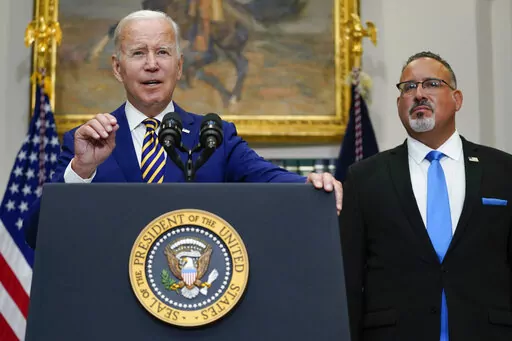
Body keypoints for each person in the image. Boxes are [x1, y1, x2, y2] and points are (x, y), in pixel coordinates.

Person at [24, 10, 342, 248]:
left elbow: (270, 179)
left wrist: (310, 183)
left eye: (162, 52)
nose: (152, 64)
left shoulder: (214, 136)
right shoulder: (87, 141)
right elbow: (37, 233)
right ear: (117, 68)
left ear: (179, 65)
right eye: (138, 53)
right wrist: (80, 170)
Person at [339, 51, 512, 341]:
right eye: (408, 87)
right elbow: (349, 280)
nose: (419, 94)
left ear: (457, 99)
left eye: (431, 84)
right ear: (399, 104)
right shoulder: (364, 177)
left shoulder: (504, 170)